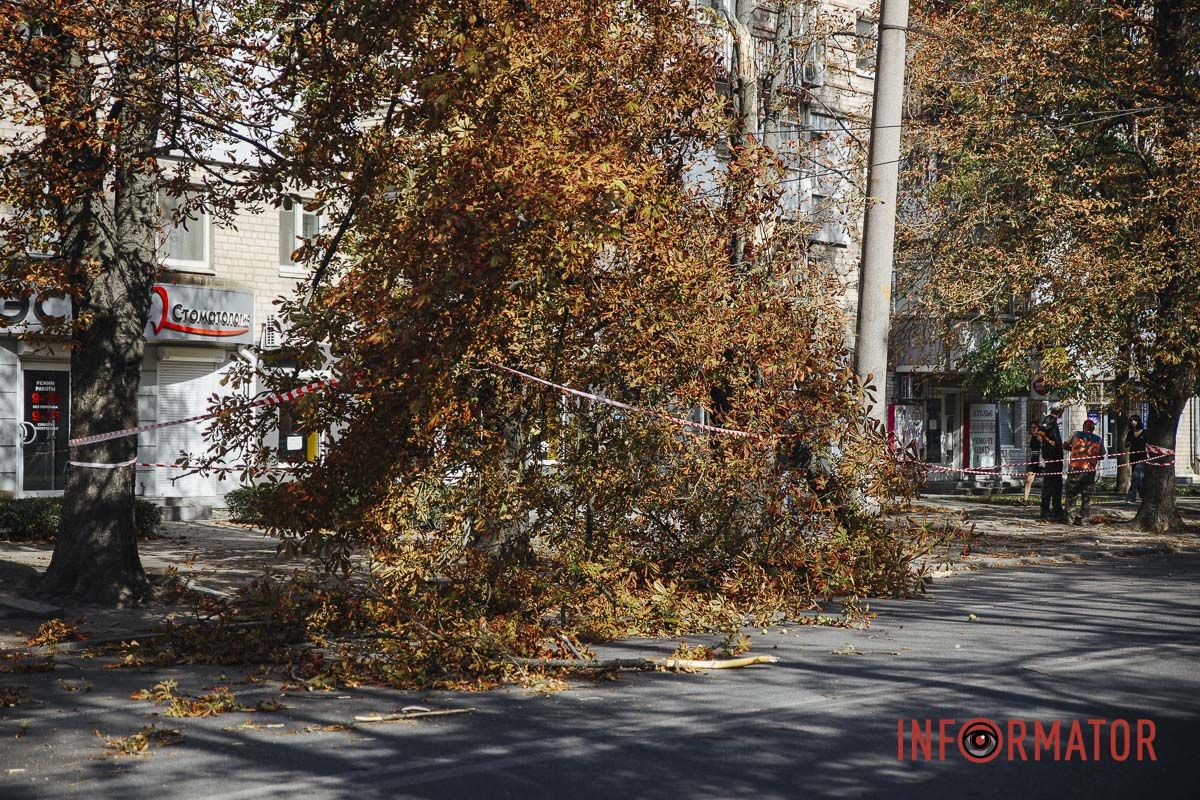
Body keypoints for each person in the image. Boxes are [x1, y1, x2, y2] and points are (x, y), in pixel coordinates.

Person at [1063, 418, 1106, 525]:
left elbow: (1064, 445)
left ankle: (1069, 517)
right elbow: (1102, 455)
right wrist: (1093, 457)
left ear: (1084, 426)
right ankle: (1084, 519)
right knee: (1086, 495)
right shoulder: (1098, 439)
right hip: (1089, 470)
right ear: (1093, 428)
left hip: (1075, 468)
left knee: (1071, 494)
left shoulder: (1076, 435)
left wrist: (1073, 450)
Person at [1035, 405, 1066, 522]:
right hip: (1051, 457)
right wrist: (1049, 441)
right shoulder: (1049, 419)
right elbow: (1040, 432)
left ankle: (1057, 508)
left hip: (1057, 457)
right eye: (1062, 410)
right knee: (1049, 483)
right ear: (1059, 410)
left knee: (1057, 483)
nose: (1063, 412)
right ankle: (1045, 510)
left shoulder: (1055, 422)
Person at [1125, 415, 1146, 505]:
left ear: (1138, 421)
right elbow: (1126, 444)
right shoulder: (1130, 433)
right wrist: (1127, 442)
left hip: (1143, 458)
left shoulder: (1145, 432)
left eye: (1134, 420)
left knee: (1136, 476)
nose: (1132, 422)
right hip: (1133, 457)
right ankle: (1144, 495)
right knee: (1139, 478)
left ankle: (1131, 497)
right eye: (1131, 420)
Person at [1022, 422, 1041, 505]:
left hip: (1041, 460)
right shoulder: (1030, 437)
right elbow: (1028, 444)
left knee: (1047, 481)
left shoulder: (1040, 437)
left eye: (1035, 427)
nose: (1032, 429)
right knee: (1028, 479)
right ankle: (1025, 499)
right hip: (1033, 459)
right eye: (1031, 427)